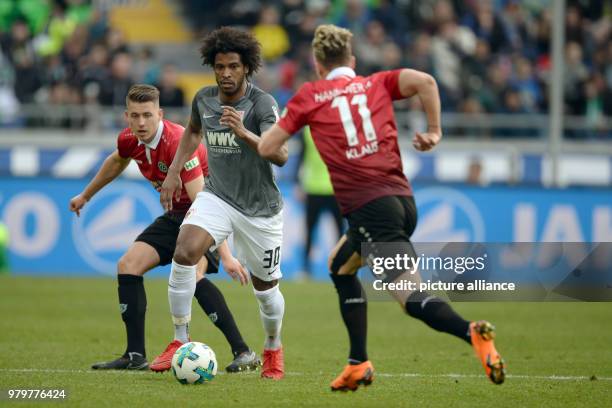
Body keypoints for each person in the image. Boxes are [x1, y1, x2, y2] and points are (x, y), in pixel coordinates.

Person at [259, 24, 505, 391]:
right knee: (340, 267)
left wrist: (249, 134)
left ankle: (472, 332)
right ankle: (358, 362)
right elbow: (427, 82)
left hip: (372, 210)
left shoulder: (311, 95)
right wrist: (434, 131)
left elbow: (267, 149)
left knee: (411, 299)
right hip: (400, 202)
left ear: (317, 63)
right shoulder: (377, 82)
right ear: (352, 61)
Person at [69, 84, 260, 373]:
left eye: (147, 115)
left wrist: (227, 255)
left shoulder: (177, 142)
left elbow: (201, 202)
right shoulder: (130, 139)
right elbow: (116, 161)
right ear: (127, 116)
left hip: (209, 211)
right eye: (135, 116)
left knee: (191, 275)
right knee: (128, 265)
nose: (141, 122)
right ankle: (134, 355)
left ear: (159, 113)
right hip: (176, 215)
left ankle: (243, 351)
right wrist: (86, 195)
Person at [160, 27, 288, 380]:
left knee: (266, 292)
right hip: (217, 195)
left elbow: (282, 155)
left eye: (233, 66)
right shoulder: (204, 99)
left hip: (260, 209)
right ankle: (179, 340)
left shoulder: (262, 104)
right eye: (220, 67)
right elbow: (192, 131)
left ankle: (273, 347)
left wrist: (244, 132)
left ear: (247, 67)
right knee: (185, 251)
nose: (226, 73)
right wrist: (173, 173)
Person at [295, 126, 343, 278]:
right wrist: (298, 183)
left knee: (340, 233)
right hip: (313, 188)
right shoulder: (307, 131)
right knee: (310, 231)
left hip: (335, 188)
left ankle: (341, 268)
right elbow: (302, 157)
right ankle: (306, 269)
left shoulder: (338, 127)